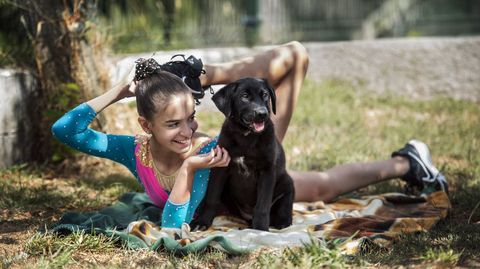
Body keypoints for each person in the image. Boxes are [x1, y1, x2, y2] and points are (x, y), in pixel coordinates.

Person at [52, 41, 448, 229]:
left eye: (191, 117)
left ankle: (208, 72)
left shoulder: (210, 148)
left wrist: (211, 82)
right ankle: (407, 160)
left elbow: (180, 212)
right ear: (145, 127)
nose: (188, 131)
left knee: (295, 58)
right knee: (321, 184)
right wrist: (118, 93)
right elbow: (65, 130)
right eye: (173, 125)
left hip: (249, 149)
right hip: (236, 187)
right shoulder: (133, 151)